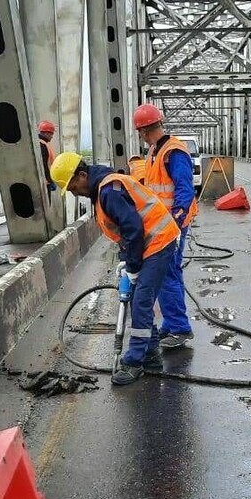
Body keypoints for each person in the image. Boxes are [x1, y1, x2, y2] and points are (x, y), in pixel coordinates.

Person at [50, 151, 180, 386]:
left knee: (140, 301)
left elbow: (133, 230)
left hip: (158, 242)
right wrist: (127, 260)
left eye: (72, 187)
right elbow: (125, 231)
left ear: (82, 175)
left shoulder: (108, 191)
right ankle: (150, 354)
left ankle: (135, 362)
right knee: (138, 300)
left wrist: (133, 266)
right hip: (151, 243)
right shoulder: (102, 190)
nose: (73, 192)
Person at [133, 103, 198, 350]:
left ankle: (180, 328)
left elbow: (184, 189)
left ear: (143, 130)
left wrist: (177, 222)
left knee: (167, 274)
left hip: (172, 225)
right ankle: (173, 323)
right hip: (162, 224)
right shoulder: (155, 151)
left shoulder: (173, 152)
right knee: (170, 274)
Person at [38, 120, 57, 193]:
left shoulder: (44, 143)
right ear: (46, 133)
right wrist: (50, 180)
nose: (52, 137)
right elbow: (43, 164)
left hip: (46, 181)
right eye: (51, 134)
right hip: (45, 182)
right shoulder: (42, 144)